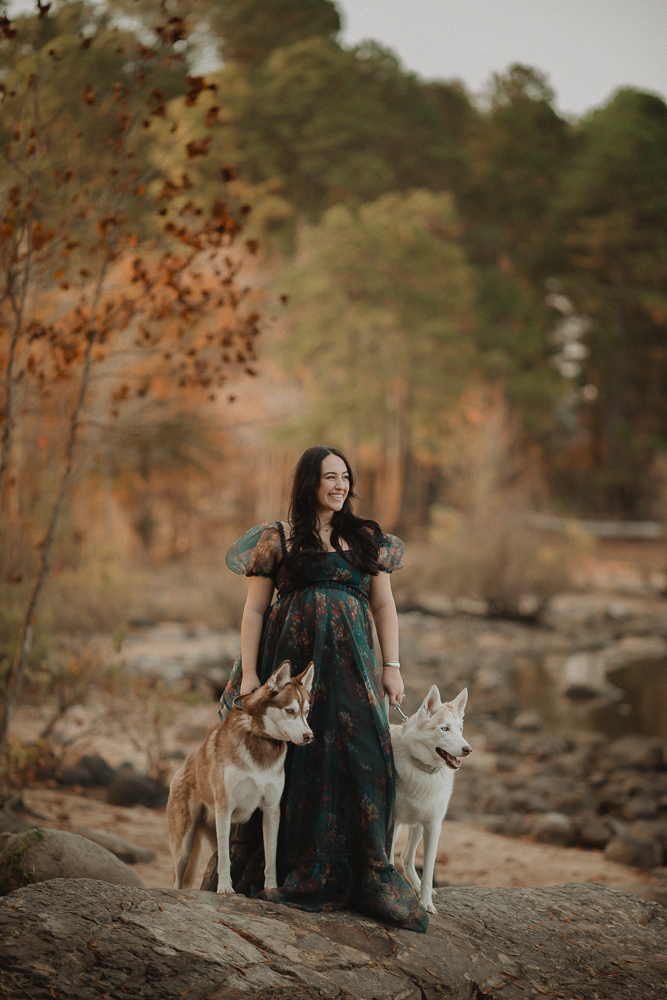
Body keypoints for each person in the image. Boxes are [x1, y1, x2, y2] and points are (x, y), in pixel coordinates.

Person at [201, 446, 428, 932]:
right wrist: (250, 677)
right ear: (309, 484)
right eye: (330, 477)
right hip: (293, 669)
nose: (340, 485)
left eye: (345, 477)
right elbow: (255, 611)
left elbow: (384, 607)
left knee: (365, 759)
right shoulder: (279, 538)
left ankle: (361, 873)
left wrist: (392, 666)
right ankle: (276, 875)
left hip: (352, 671)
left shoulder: (367, 539)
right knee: (294, 763)